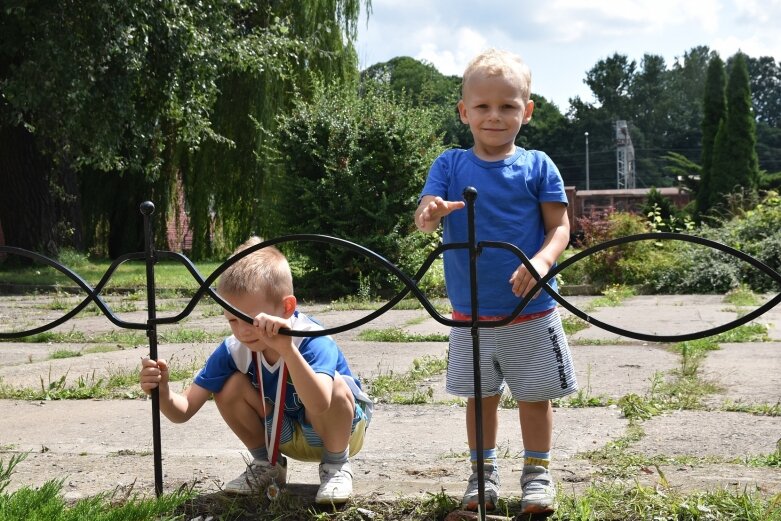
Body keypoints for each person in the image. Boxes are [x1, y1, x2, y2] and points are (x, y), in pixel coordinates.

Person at [414, 48, 578, 516]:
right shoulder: (448, 166)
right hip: (470, 315)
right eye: (483, 106)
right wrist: (432, 211)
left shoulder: (539, 166)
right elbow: (424, 217)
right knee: (480, 398)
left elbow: (560, 228)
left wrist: (543, 262)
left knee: (534, 396)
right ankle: (482, 476)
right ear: (465, 112)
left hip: (530, 310)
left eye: (508, 106)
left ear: (526, 111)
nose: (495, 116)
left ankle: (537, 476)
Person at [139, 237, 372, 504]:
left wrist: (287, 351)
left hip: (336, 431)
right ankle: (267, 464)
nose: (242, 331)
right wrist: (162, 390)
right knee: (228, 388)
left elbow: (320, 404)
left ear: (287, 308)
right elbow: (182, 412)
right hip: (280, 433)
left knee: (337, 387)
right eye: (232, 320)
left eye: (251, 320)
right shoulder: (234, 348)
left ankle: (336, 468)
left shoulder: (313, 339)